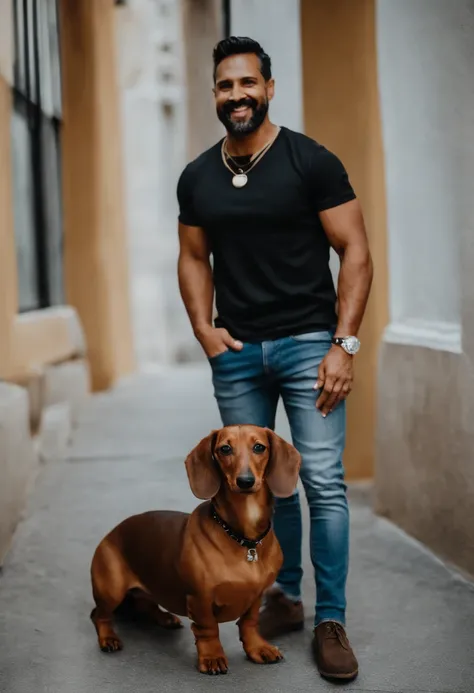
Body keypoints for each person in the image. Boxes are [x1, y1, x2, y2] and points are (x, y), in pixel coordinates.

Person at [176, 36, 373, 682]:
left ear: (269, 87)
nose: (236, 95)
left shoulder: (309, 162)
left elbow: (357, 251)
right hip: (236, 352)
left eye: (247, 83)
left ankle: (331, 619)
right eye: (225, 86)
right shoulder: (199, 176)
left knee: (319, 479)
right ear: (215, 95)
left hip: (310, 345)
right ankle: (283, 593)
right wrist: (204, 331)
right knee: (258, 480)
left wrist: (344, 344)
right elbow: (193, 257)